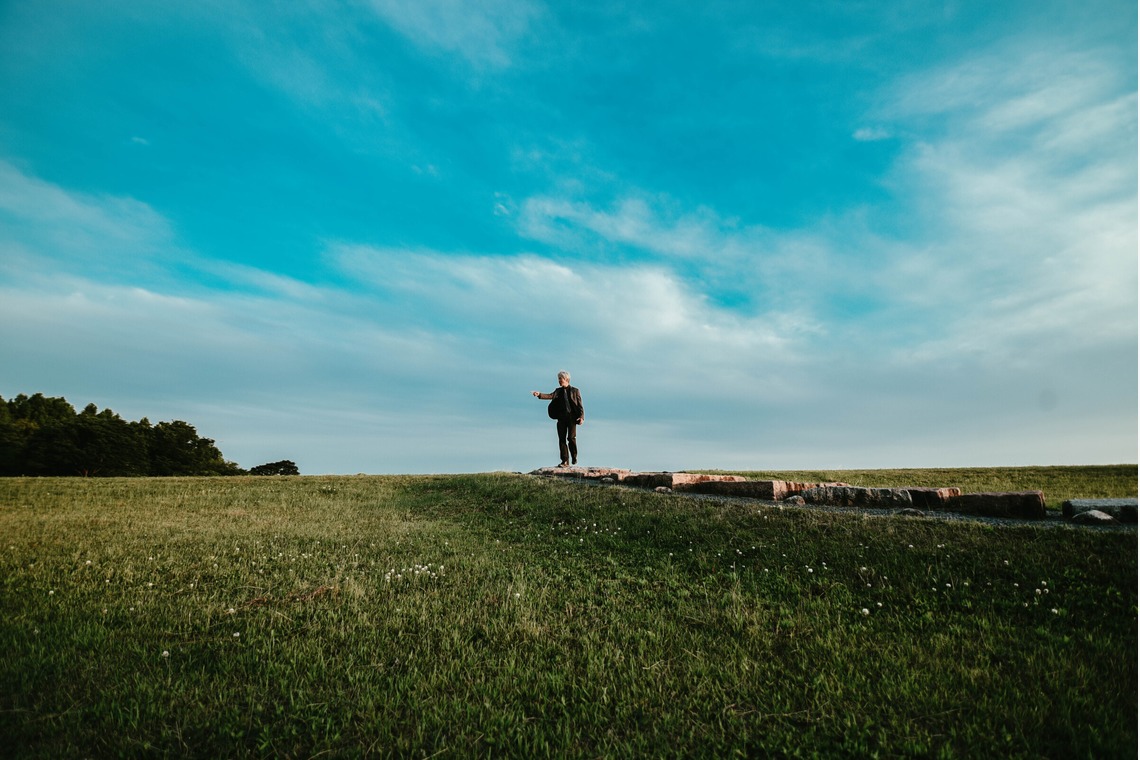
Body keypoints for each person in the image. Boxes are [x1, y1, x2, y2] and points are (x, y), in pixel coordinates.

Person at [531, 370, 584, 467]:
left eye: (561, 379)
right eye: (558, 379)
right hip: (561, 418)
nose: (559, 381)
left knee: (571, 438)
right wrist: (539, 394)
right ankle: (565, 461)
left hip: (572, 418)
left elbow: (580, 405)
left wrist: (581, 417)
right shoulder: (558, 391)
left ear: (566, 379)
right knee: (562, 439)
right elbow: (550, 396)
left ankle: (574, 456)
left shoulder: (575, 391)